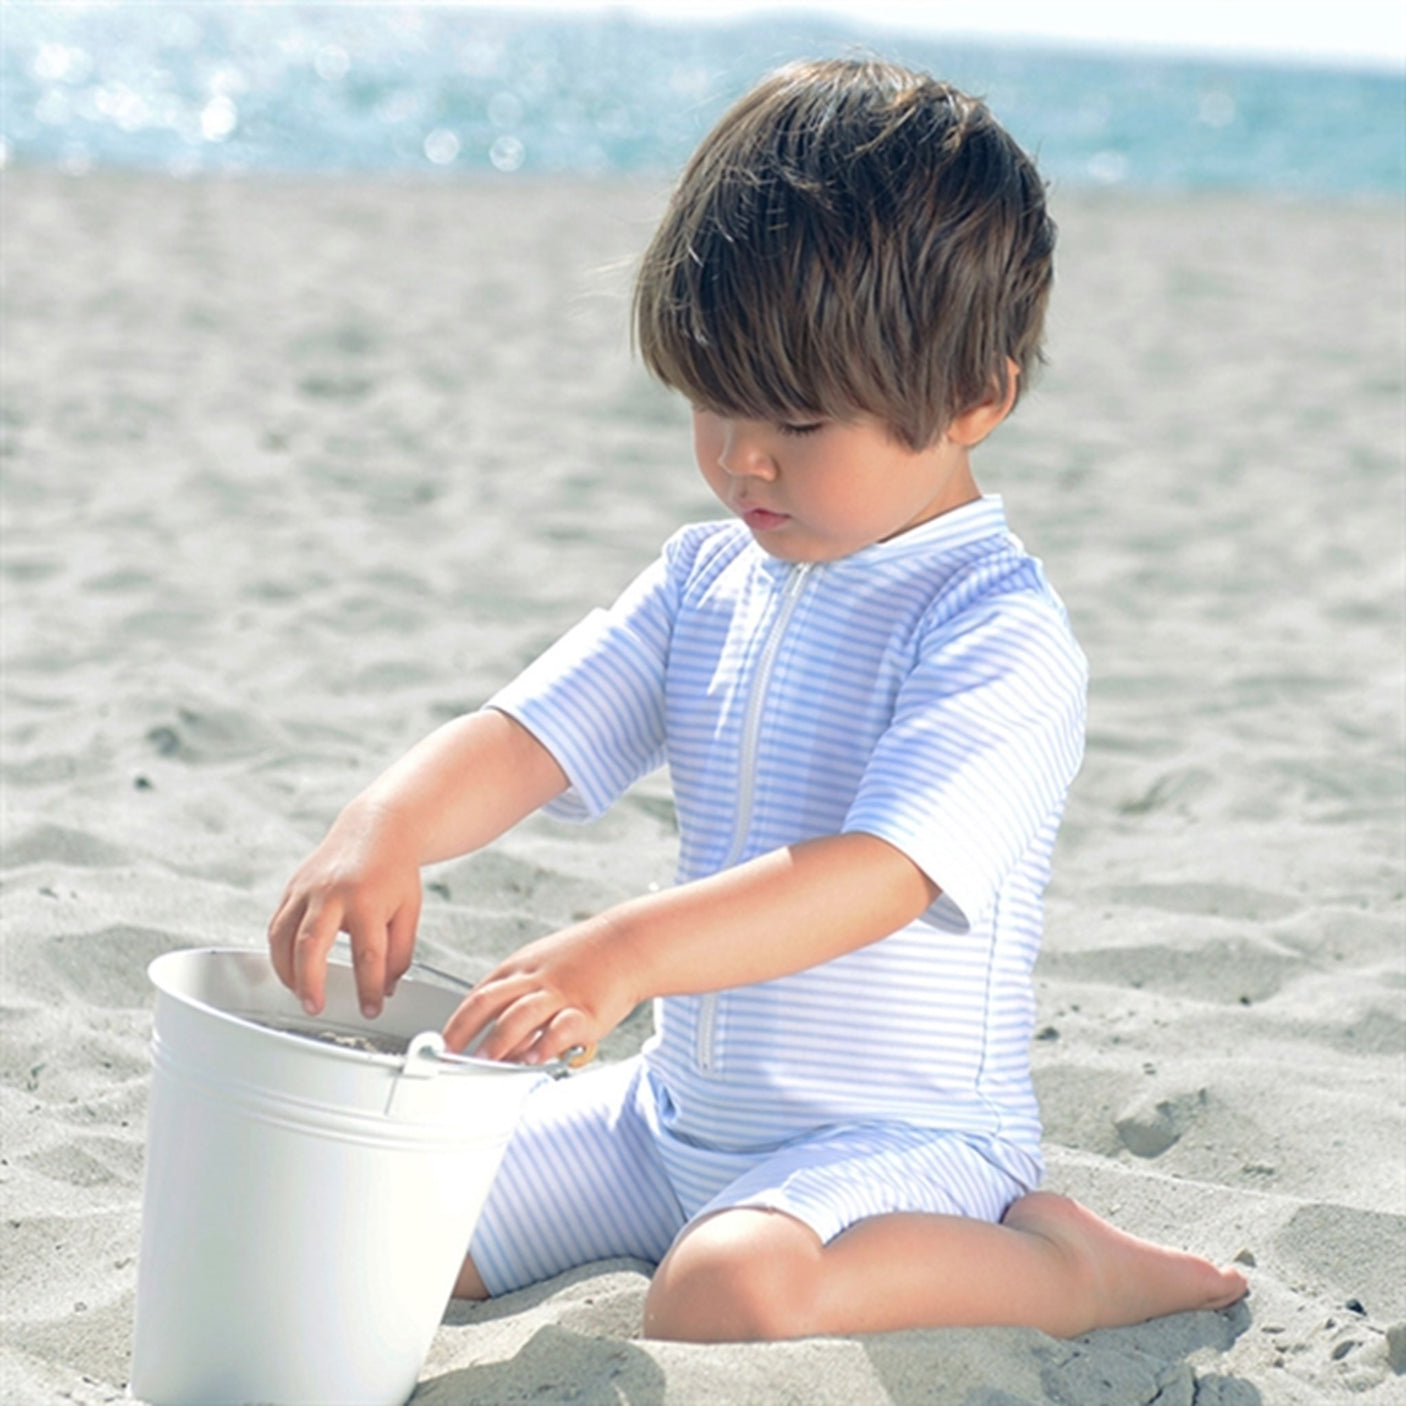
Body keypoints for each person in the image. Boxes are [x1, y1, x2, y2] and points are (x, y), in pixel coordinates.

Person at [268, 58, 1247, 1343]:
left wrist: (624, 949)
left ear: (976, 398)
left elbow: (876, 873)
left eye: (792, 416)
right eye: (711, 398)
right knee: (382, 1209)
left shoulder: (993, 633)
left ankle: (1073, 1272)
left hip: (899, 1144)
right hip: (667, 1119)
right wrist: (382, 823)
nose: (738, 455)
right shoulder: (706, 575)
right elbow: (530, 734)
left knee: (725, 1289)